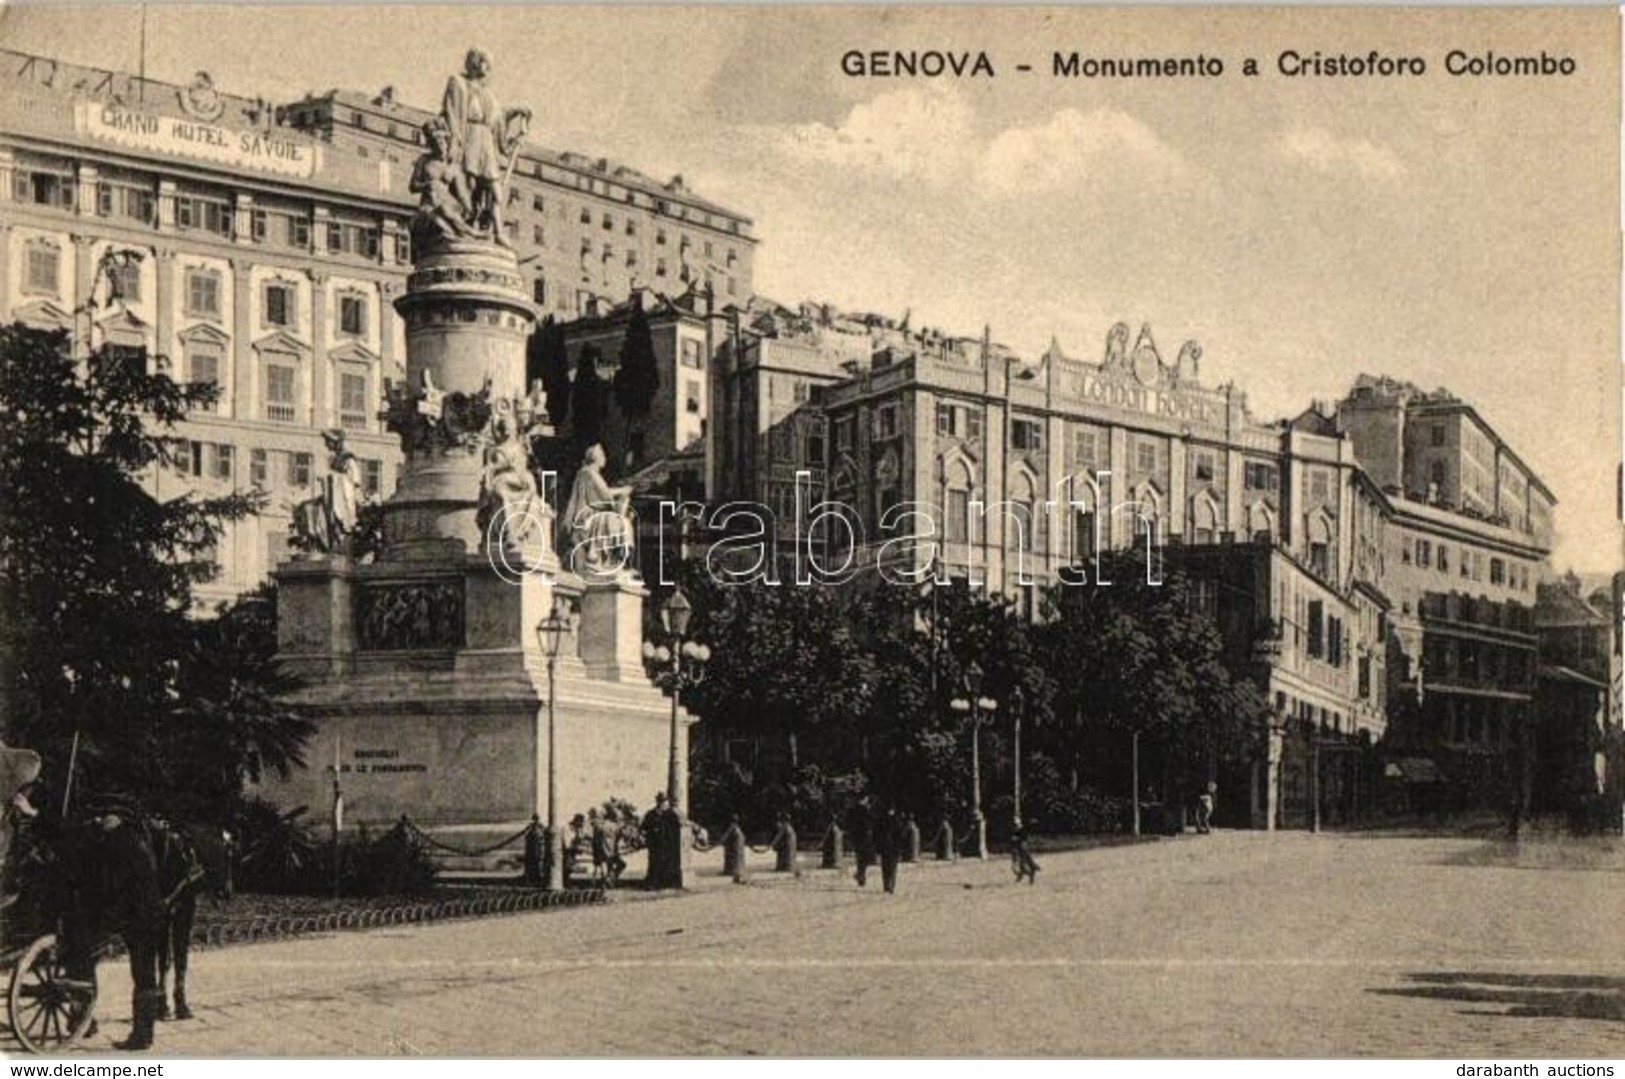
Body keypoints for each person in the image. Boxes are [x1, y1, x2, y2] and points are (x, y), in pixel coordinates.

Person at [440, 48, 530, 244]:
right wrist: (454, 143)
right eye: (483, 62)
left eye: (488, 64)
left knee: (495, 190)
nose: (486, 68)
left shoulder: (489, 94)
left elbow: (497, 118)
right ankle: (467, 227)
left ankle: (498, 232)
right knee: (468, 187)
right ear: (472, 63)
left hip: (486, 143)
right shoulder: (458, 83)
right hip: (469, 138)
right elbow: (451, 113)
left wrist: (517, 110)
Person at [558, 444, 634, 576]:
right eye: (603, 455)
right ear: (596, 457)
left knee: (622, 521)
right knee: (619, 522)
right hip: (588, 514)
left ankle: (612, 560)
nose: (605, 458)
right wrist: (624, 490)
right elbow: (605, 494)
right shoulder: (589, 473)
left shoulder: (588, 473)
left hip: (592, 513)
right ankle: (610, 560)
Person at [590, 810, 625, 886]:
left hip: (602, 851)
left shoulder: (600, 826)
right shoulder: (614, 826)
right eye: (619, 818)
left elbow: (594, 839)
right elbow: (621, 837)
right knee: (620, 864)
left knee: (608, 865)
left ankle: (608, 879)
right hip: (609, 852)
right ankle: (609, 879)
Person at [847, 796, 875, 888]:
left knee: (860, 857)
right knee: (864, 858)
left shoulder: (853, 809)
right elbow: (871, 821)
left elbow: (849, 823)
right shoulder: (865, 810)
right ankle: (861, 876)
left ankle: (860, 875)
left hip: (857, 837)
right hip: (865, 837)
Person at [875, 806, 904, 895]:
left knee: (887, 867)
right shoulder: (896, 821)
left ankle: (888, 885)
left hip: (888, 848)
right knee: (891, 867)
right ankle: (890, 885)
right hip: (891, 848)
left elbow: (899, 836)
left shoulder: (883, 820)